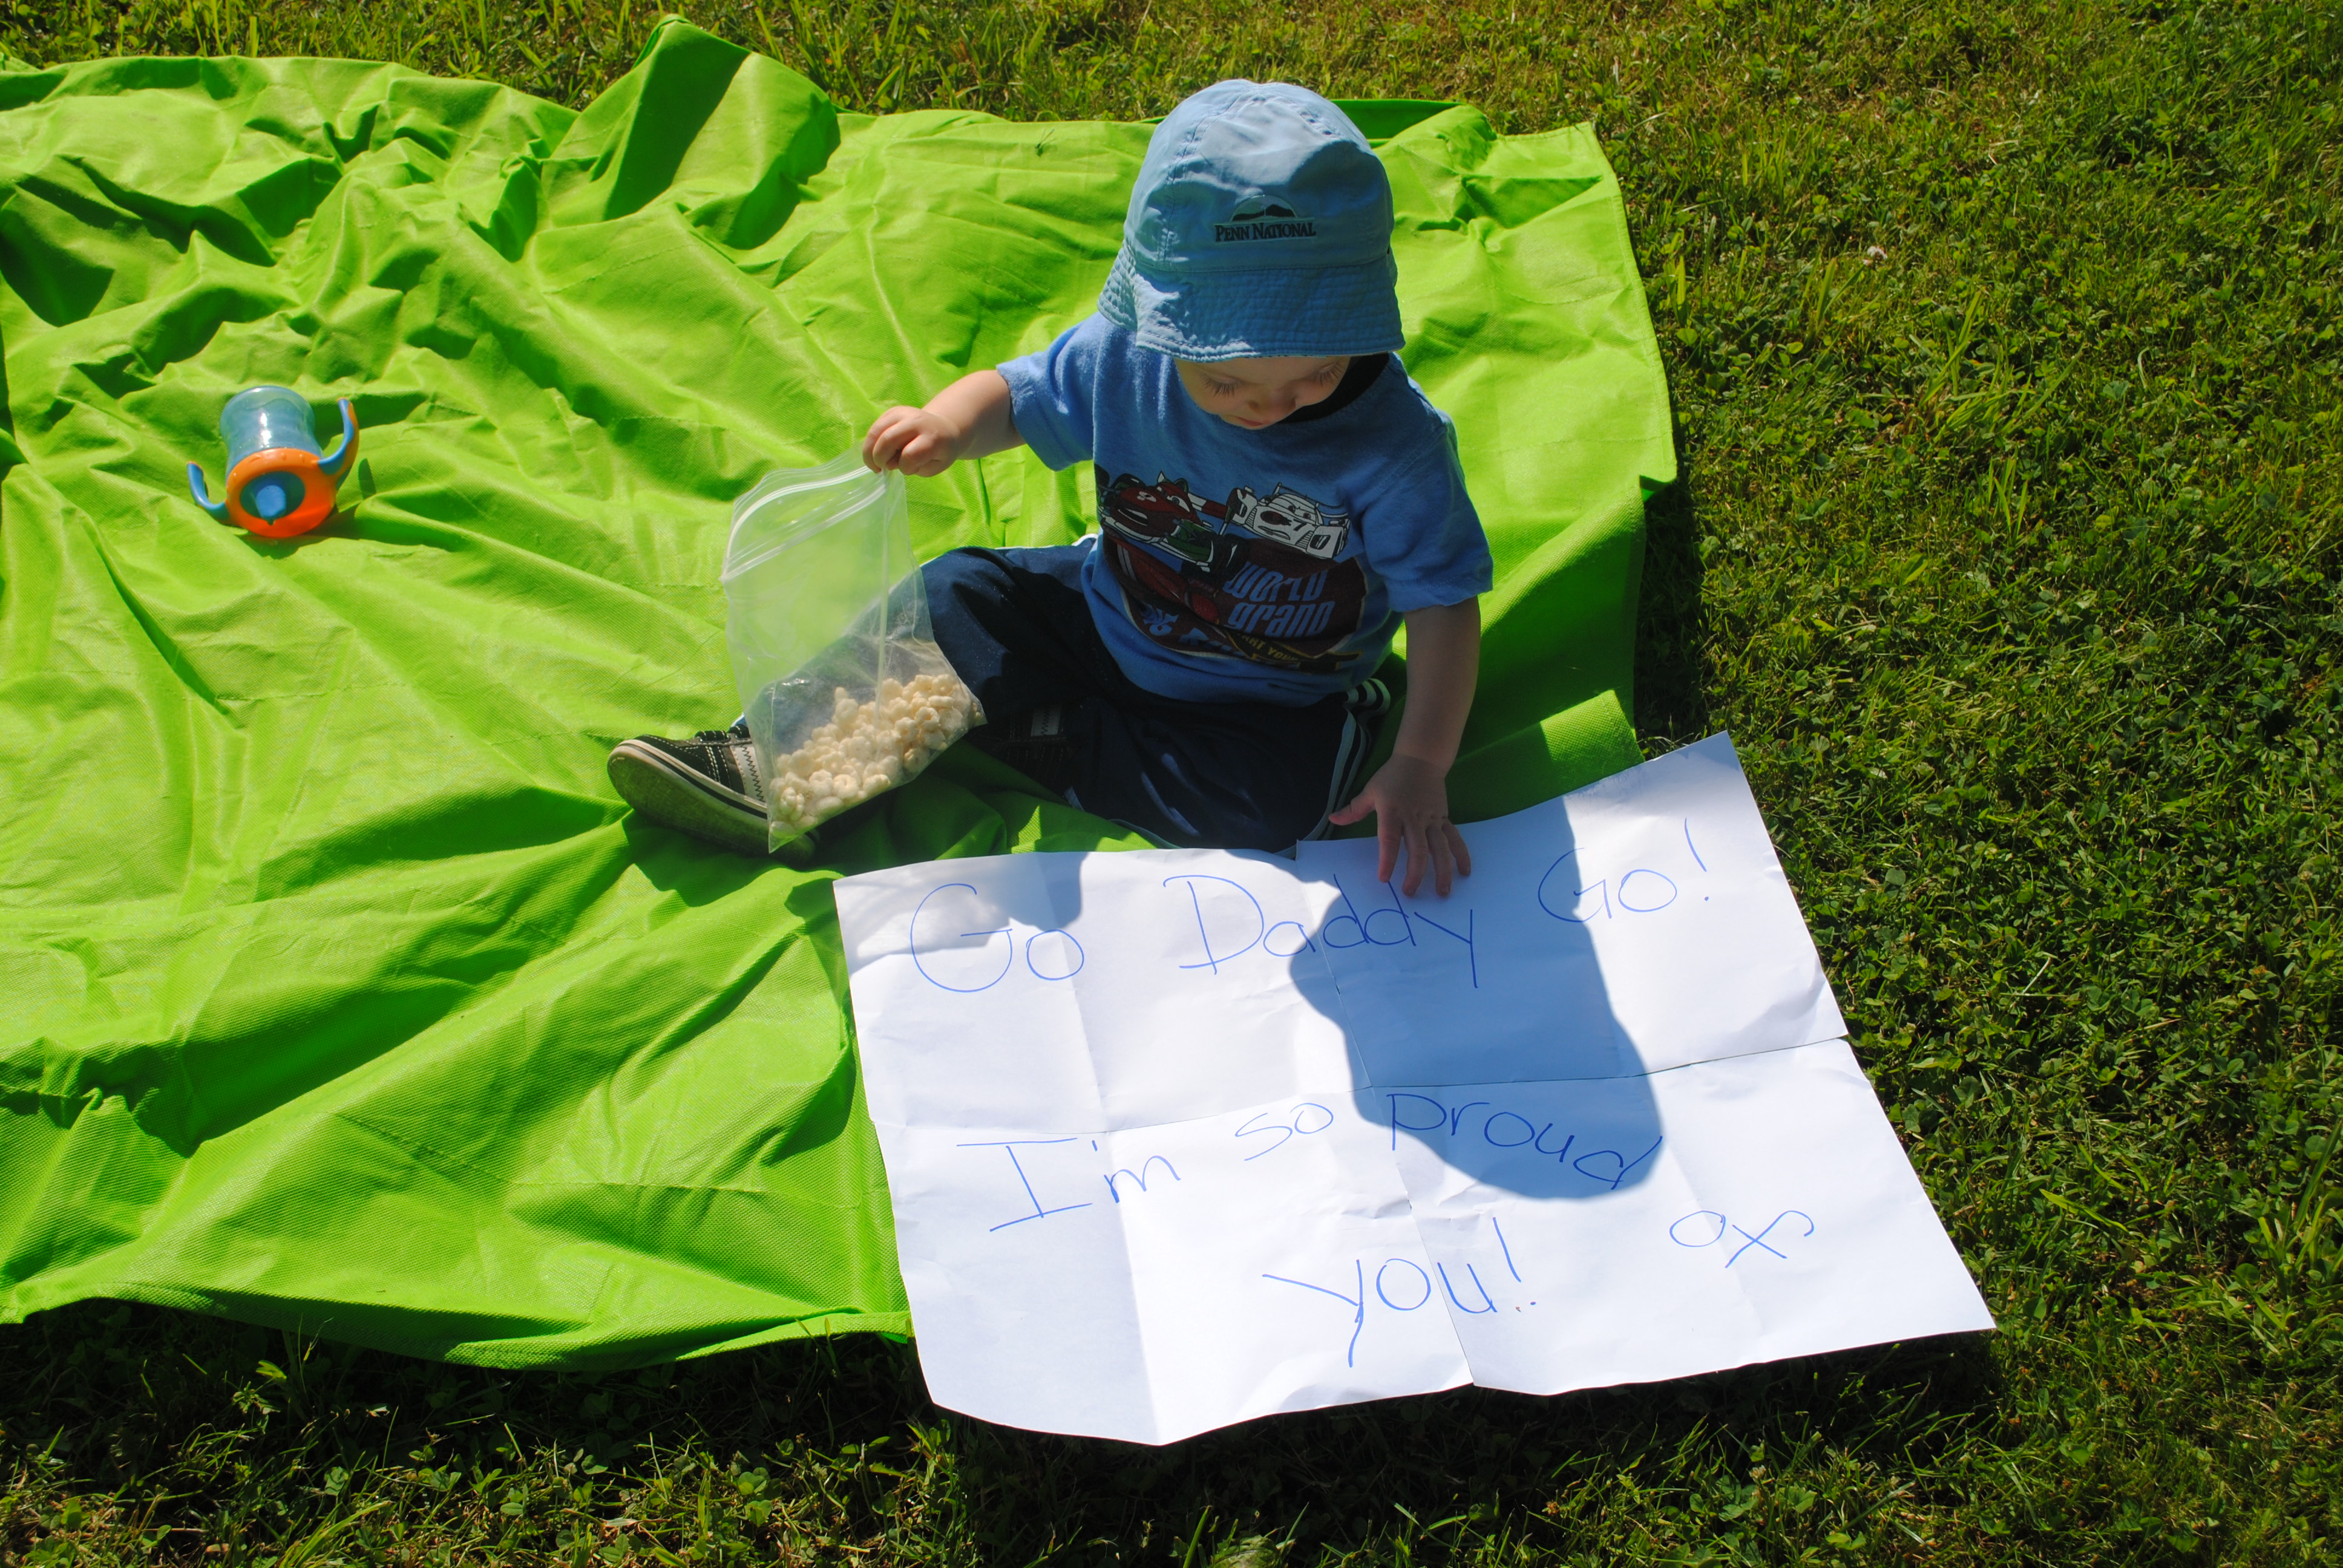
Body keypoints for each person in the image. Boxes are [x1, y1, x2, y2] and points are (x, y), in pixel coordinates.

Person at [609, 81, 1490, 896]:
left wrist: (1421, 762)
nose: (1268, 406)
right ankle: (778, 765)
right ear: (1161, 325)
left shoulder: (1394, 447)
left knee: (1270, 814)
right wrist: (950, 424)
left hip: (1268, 699)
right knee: (960, 592)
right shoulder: (1128, 356)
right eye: (1224, 381)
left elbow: (1443, 605)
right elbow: (1023, 395)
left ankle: (1038, 730)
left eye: (1316, 374)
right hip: (1112, 613)